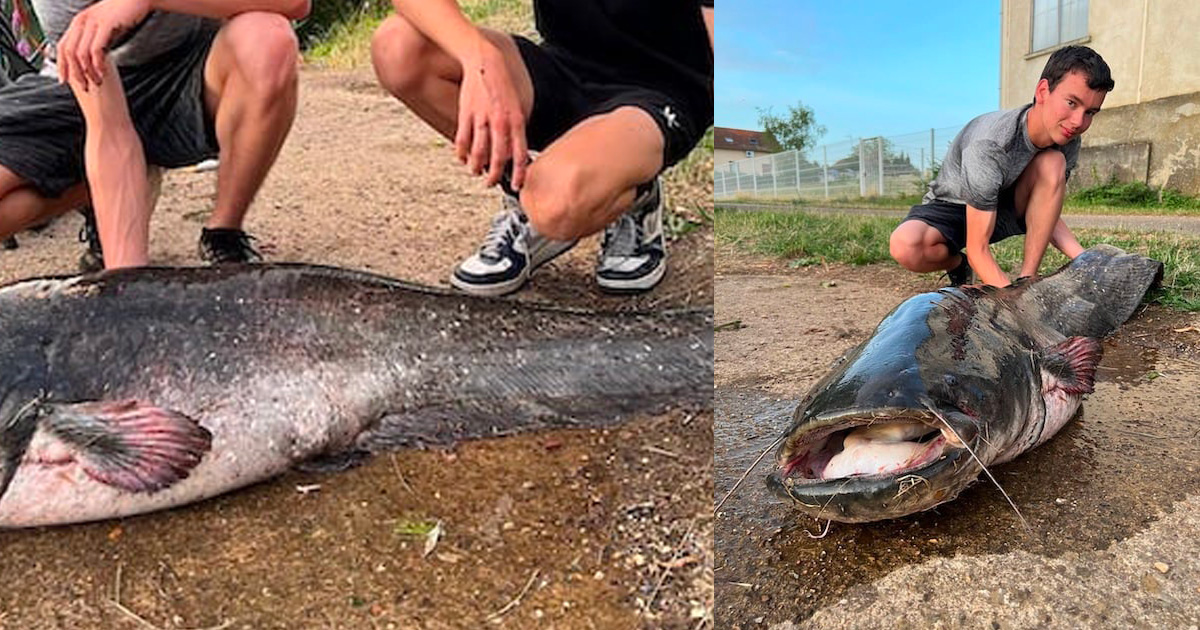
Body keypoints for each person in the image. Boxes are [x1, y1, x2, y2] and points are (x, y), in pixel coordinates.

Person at [371, 1, 714, 296]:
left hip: (663, 92)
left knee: (556, 202)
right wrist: (478, 56)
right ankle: (525, 192)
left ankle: (633, 193)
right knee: (398, 47)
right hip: (563, 69)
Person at [0, 0, 307, 270]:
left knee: (268, 38)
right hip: (75, 90)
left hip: (188, 69)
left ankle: (223, 232)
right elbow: (110, 128)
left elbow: (294, 2)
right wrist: (129, 286)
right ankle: (99, 192)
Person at [889, 45, 1114, 288]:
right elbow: (978, 248)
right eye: (1071, 103)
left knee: (1052, 161)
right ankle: (957, 265)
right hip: (952, 206)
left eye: (1090, 112)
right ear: (1043, 91)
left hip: (1004, 205)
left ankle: (1027, 279)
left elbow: (1045, 209)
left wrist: (1086, 261)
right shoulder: (990, 144)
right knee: (905, 246)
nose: (1078, 121)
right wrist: (1012, 304)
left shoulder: (1067, 138)